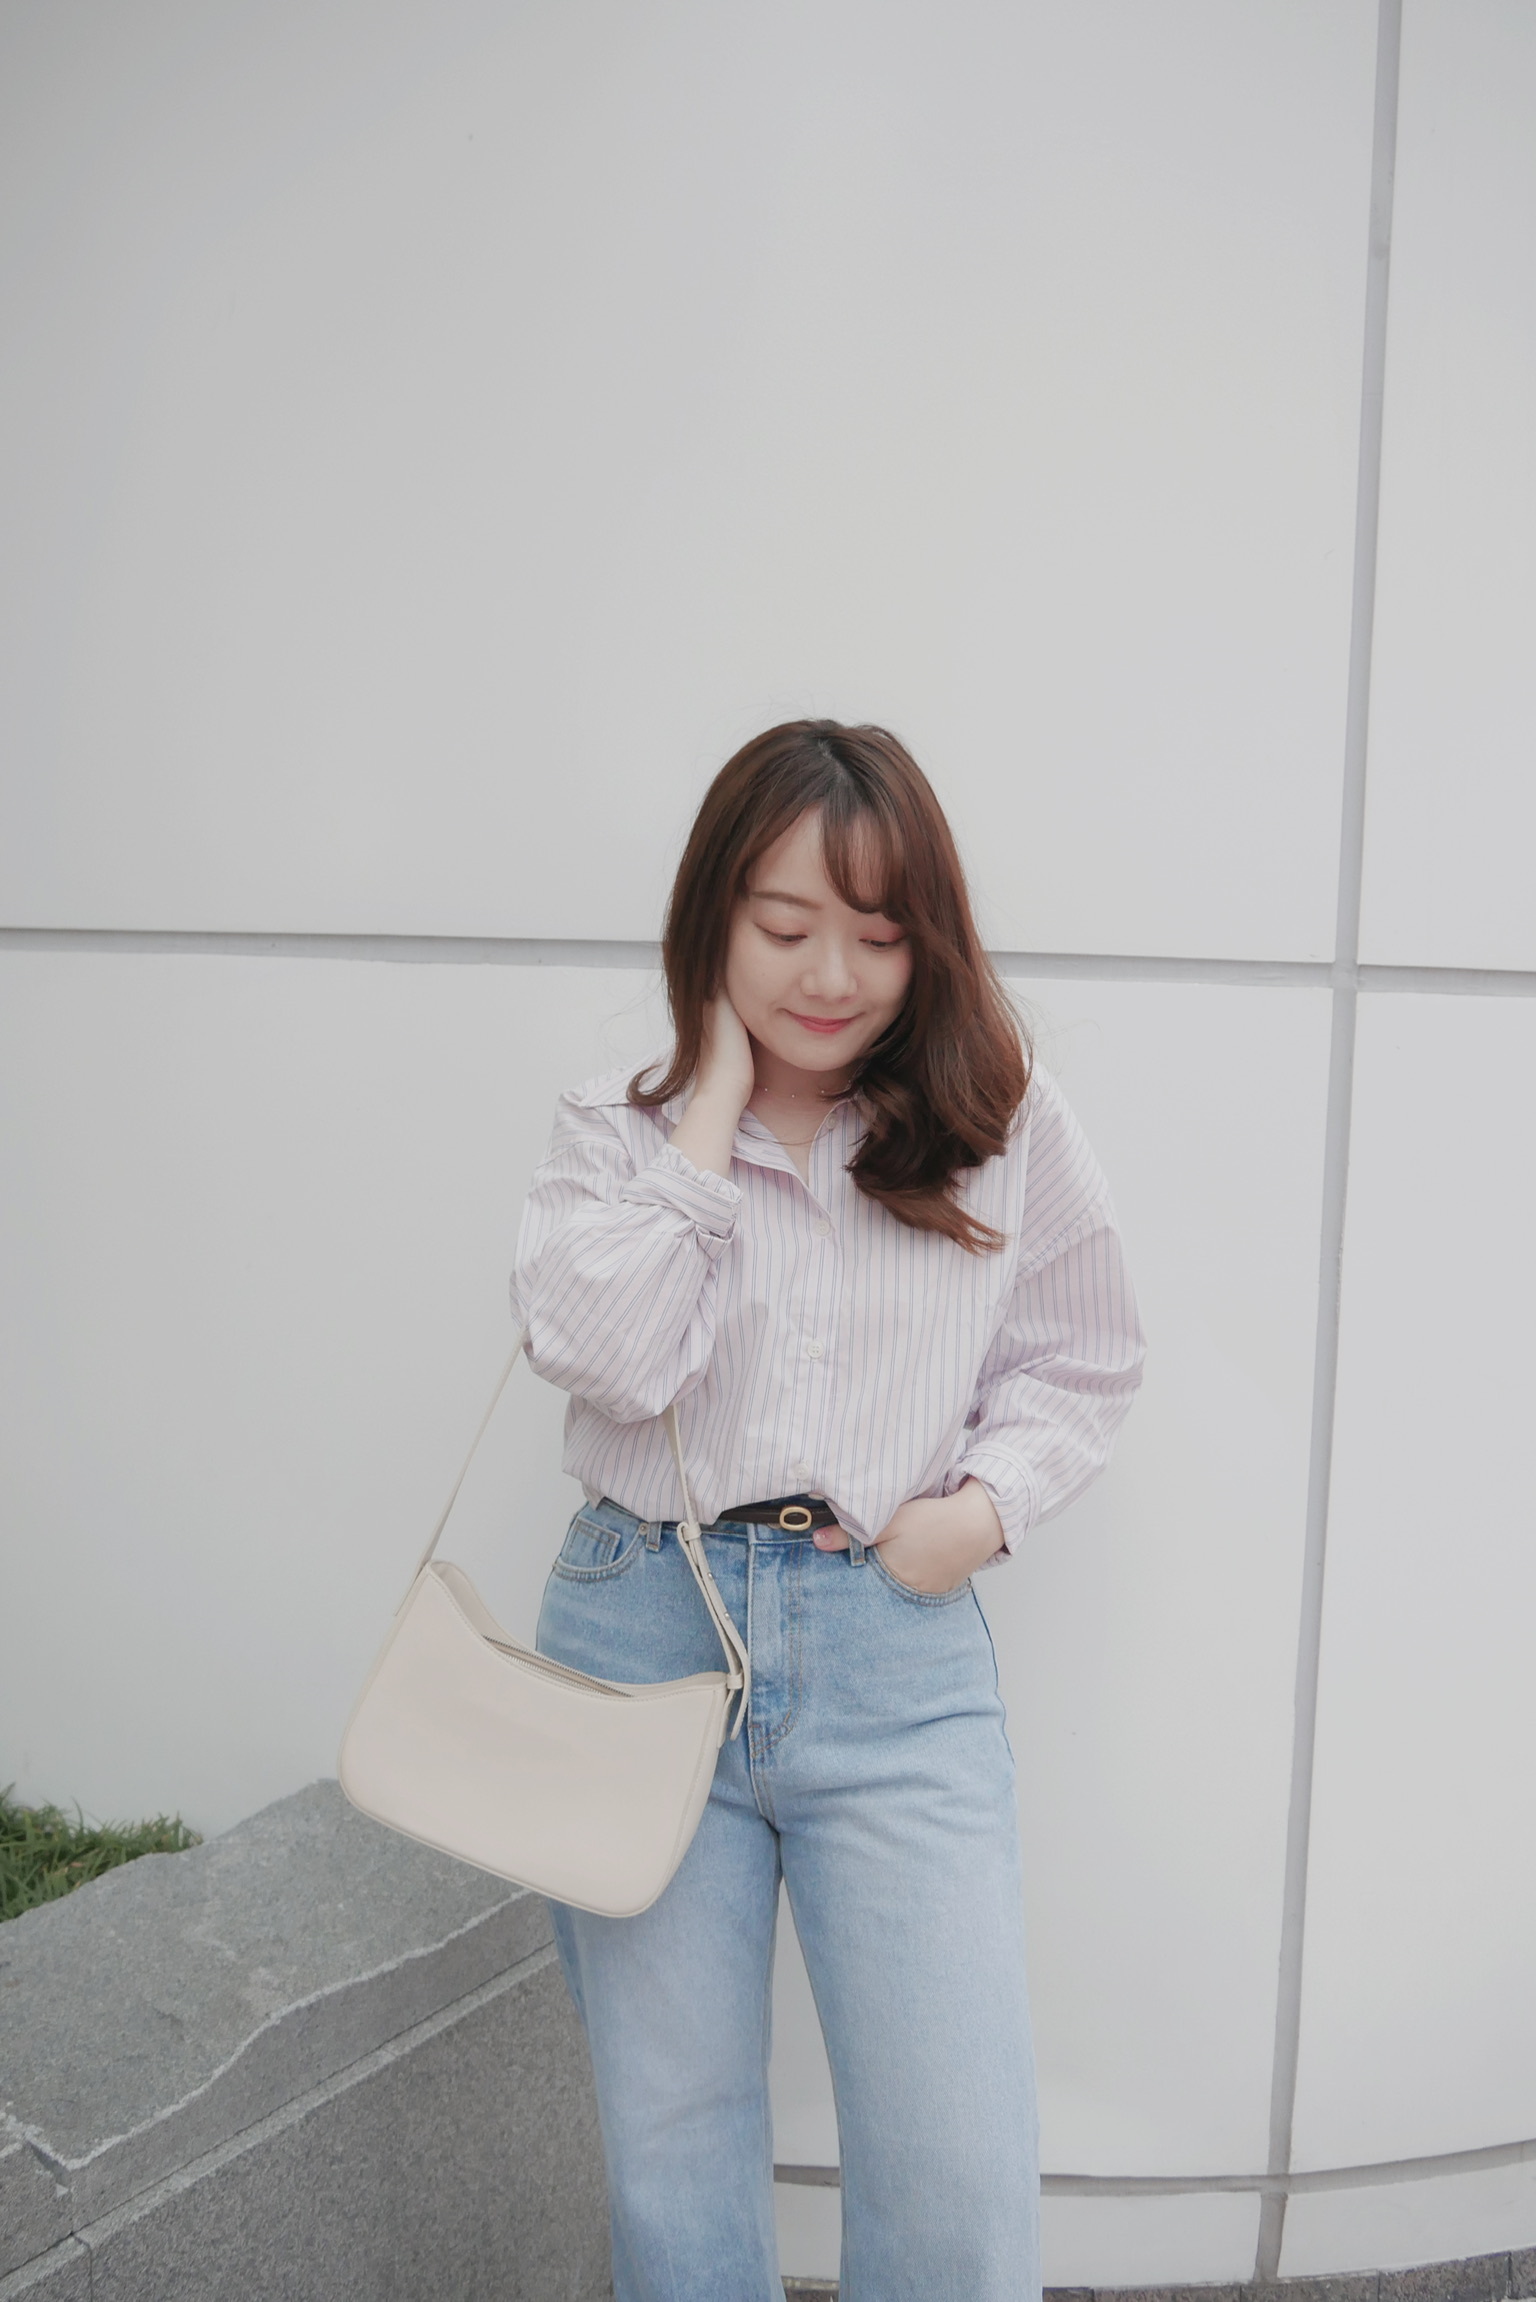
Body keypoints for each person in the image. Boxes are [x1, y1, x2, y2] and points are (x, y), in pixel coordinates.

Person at [509, 719, 1145, 2302]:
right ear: (714, 917)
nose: (833, 975)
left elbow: (1088, 1354)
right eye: (786, 925)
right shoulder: (615, 1130)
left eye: (878, 932)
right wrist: (707, 1121)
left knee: (955, 2155)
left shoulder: (1000, 1122)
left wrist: (983, 1510)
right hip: (639, 1632)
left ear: (930, 941)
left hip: (893, 1652)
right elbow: (601, 1354)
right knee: (672, 2145)